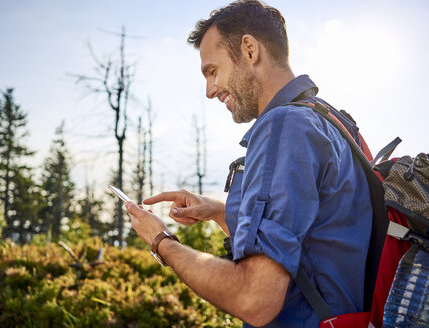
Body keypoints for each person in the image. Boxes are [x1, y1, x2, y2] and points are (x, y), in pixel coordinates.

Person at [126, 1, 373, 327]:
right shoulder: (331, 120)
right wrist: (216, 209)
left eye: (212, 71)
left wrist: (162, 242)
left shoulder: (284, 127)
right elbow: (312, 245)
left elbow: (254, 298)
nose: (209, 91)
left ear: (249, 49)